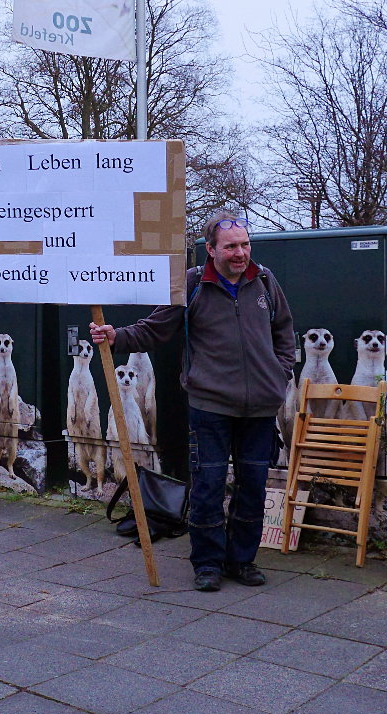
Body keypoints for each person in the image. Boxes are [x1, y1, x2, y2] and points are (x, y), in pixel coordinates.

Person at [90, 210, 295, 592]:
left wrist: (280, 371)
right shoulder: (192, 285)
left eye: (245, 244)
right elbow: (155, 329)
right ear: (211, 250)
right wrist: (115, 336)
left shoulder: (265, 281)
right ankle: (207, 564)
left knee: (252, 486)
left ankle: (242, 561)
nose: (240, 253)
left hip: (261, 408)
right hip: (210, 406)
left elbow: (284, 330)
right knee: (208, 486)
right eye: (231, 246)